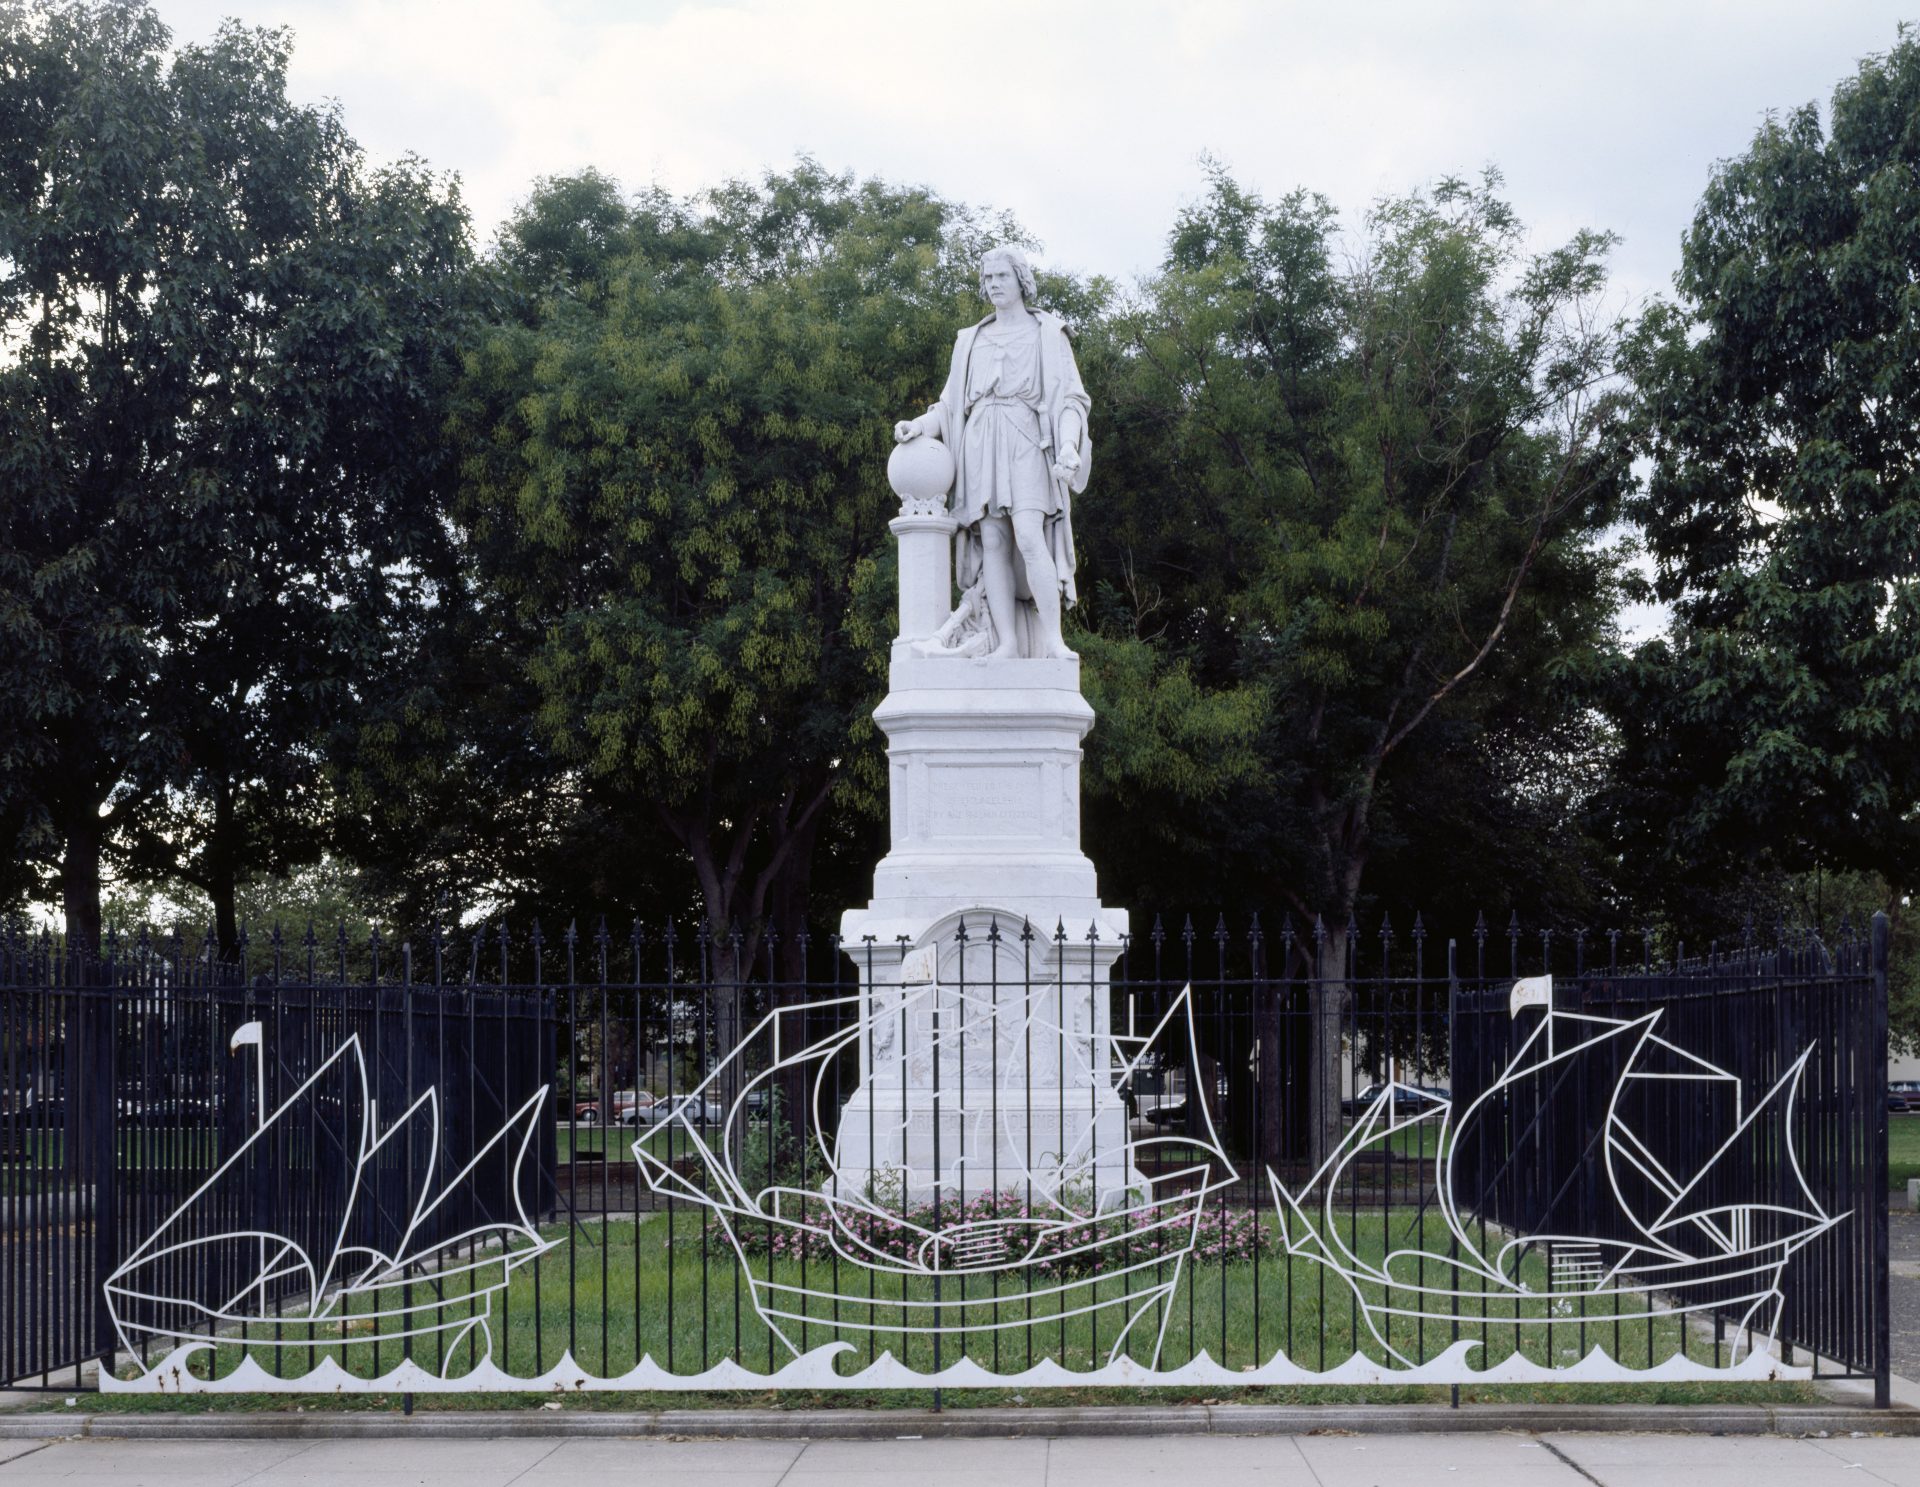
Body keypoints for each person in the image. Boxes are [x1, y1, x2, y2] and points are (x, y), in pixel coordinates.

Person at [894, 246, 1090, 659]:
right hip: (981, 441)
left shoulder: (1047, 333)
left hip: (1026, 440)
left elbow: (1070, 400)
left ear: (1021, 280)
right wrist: (920, 427)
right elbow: (948, 406)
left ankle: (1054, 640)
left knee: (1031, 537)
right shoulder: (971, 340)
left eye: (1001, 276)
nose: (993, 284)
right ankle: (1007, 643)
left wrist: (1069, 445)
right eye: (987, 278)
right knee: (995, 543)